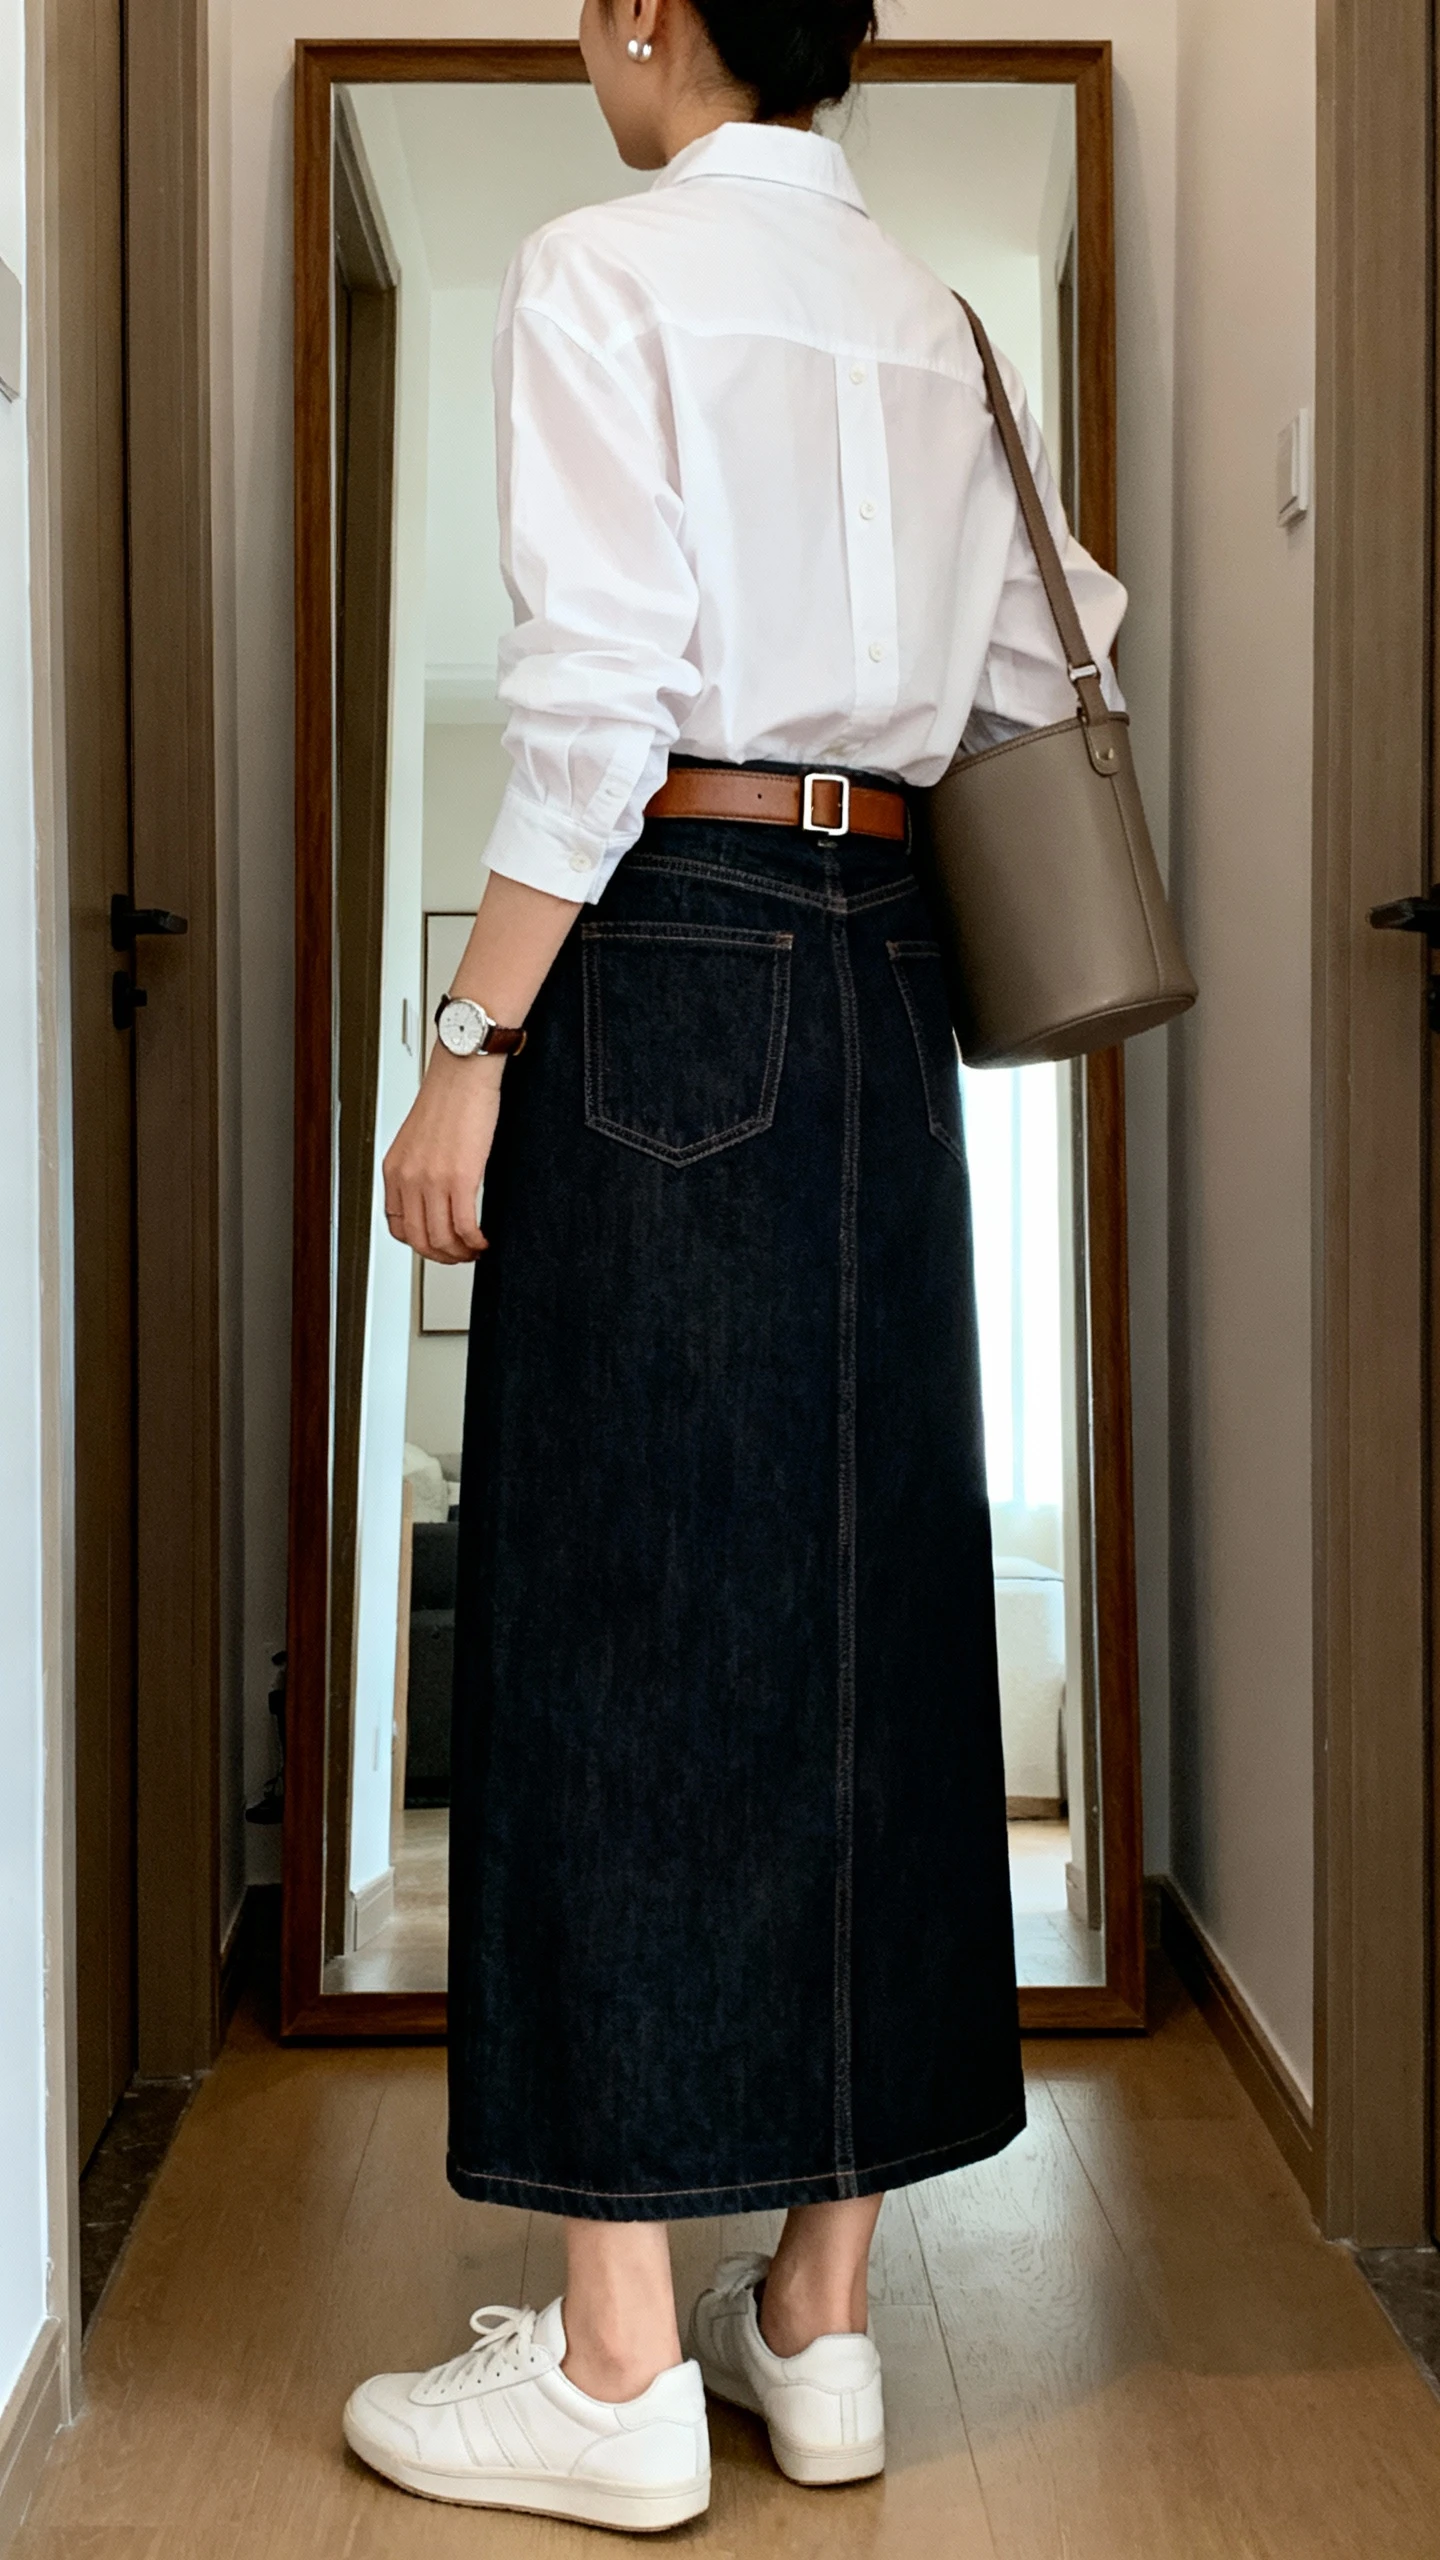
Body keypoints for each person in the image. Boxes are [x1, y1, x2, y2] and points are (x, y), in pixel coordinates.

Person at [343, 0, 1126, 2532]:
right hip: (894, 958)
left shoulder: (602, 268)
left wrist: (474, 1029)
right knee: (872, 1607)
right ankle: (814, 2318)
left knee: (618, 1599)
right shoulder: (938, 325)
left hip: (667, 934)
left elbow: (587, 687)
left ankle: (606, 2368)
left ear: (655, 18)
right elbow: (1048, 667)